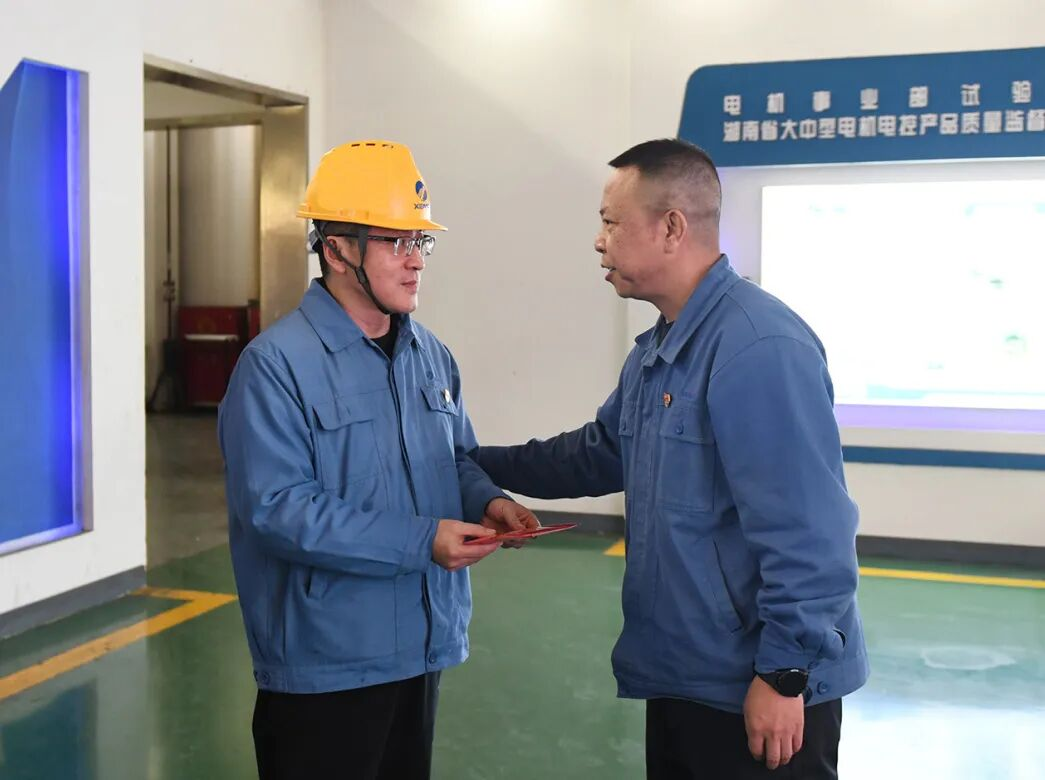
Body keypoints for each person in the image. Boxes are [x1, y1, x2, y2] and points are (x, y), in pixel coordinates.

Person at [475, 138, 868, 779]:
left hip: (759, 688)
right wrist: (475, 464)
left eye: (610, 222)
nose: (598, 241)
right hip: (689, 674)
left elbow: (811, 533)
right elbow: (601, 453)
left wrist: (785, 674)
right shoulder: (662, 348)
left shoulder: (758, 347)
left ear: (671, 228)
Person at [218, 139, 538, 780]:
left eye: (421, 241)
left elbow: (454, 458)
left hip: (420, 648)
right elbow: (279, 512)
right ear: (337, 250)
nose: (416, 259)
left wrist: (487, 500)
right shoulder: (275, 367)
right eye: (395, 242)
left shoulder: (430, 356)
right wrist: (424, 540)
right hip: (325, 666)